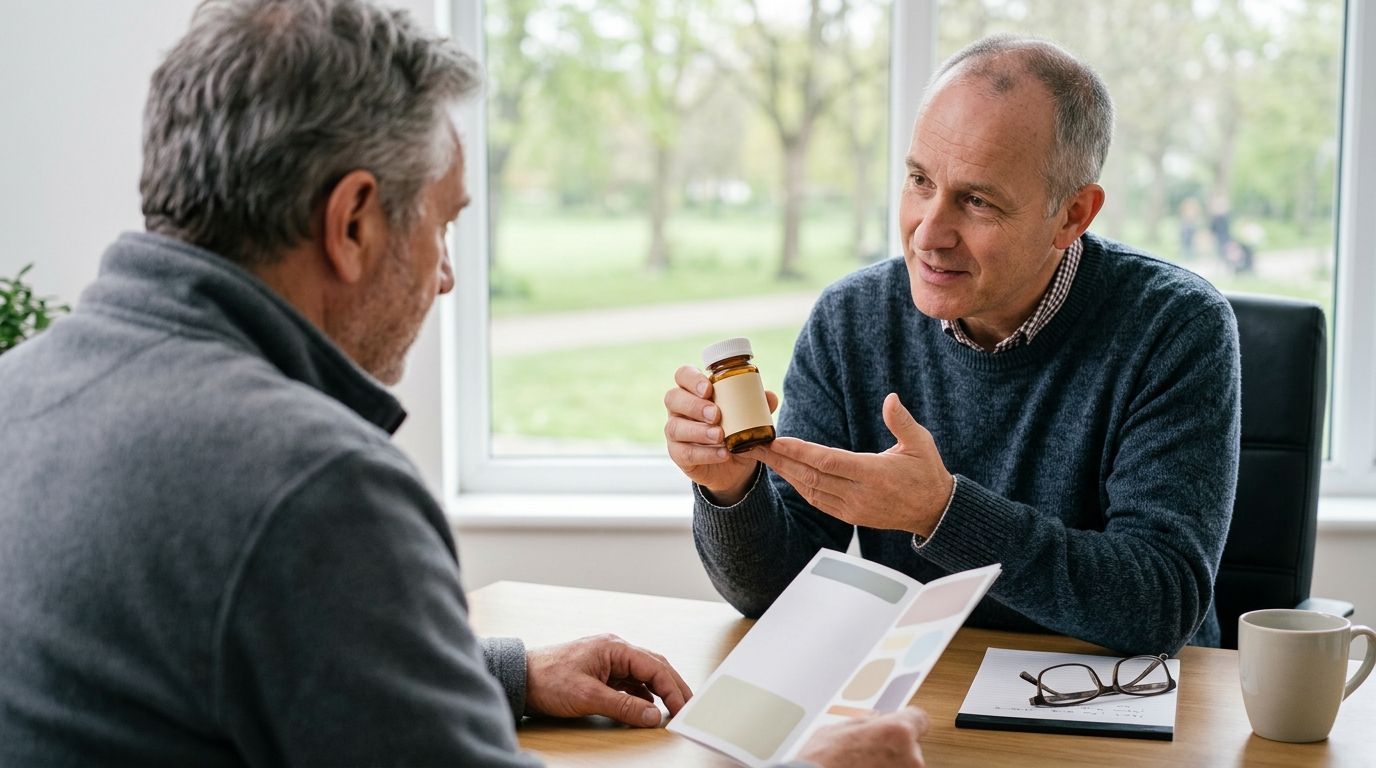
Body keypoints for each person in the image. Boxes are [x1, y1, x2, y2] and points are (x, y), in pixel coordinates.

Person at [0, 1, 930, 766]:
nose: (446, 275)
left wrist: (504, 673)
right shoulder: (312, 486)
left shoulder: (21, 389)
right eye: (443, 226)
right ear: (355, 223)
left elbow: (207, 665)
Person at [665, 34, 1240, 657]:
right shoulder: (850, 320)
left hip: (1111, 706)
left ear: (1073, 215)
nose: (928, 234)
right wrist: (731, 490)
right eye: (919, 181)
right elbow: (776, 591)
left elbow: (1160, 603)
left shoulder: (1177, 327)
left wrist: (943, 512)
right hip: (921, 695)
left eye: (977, 201)